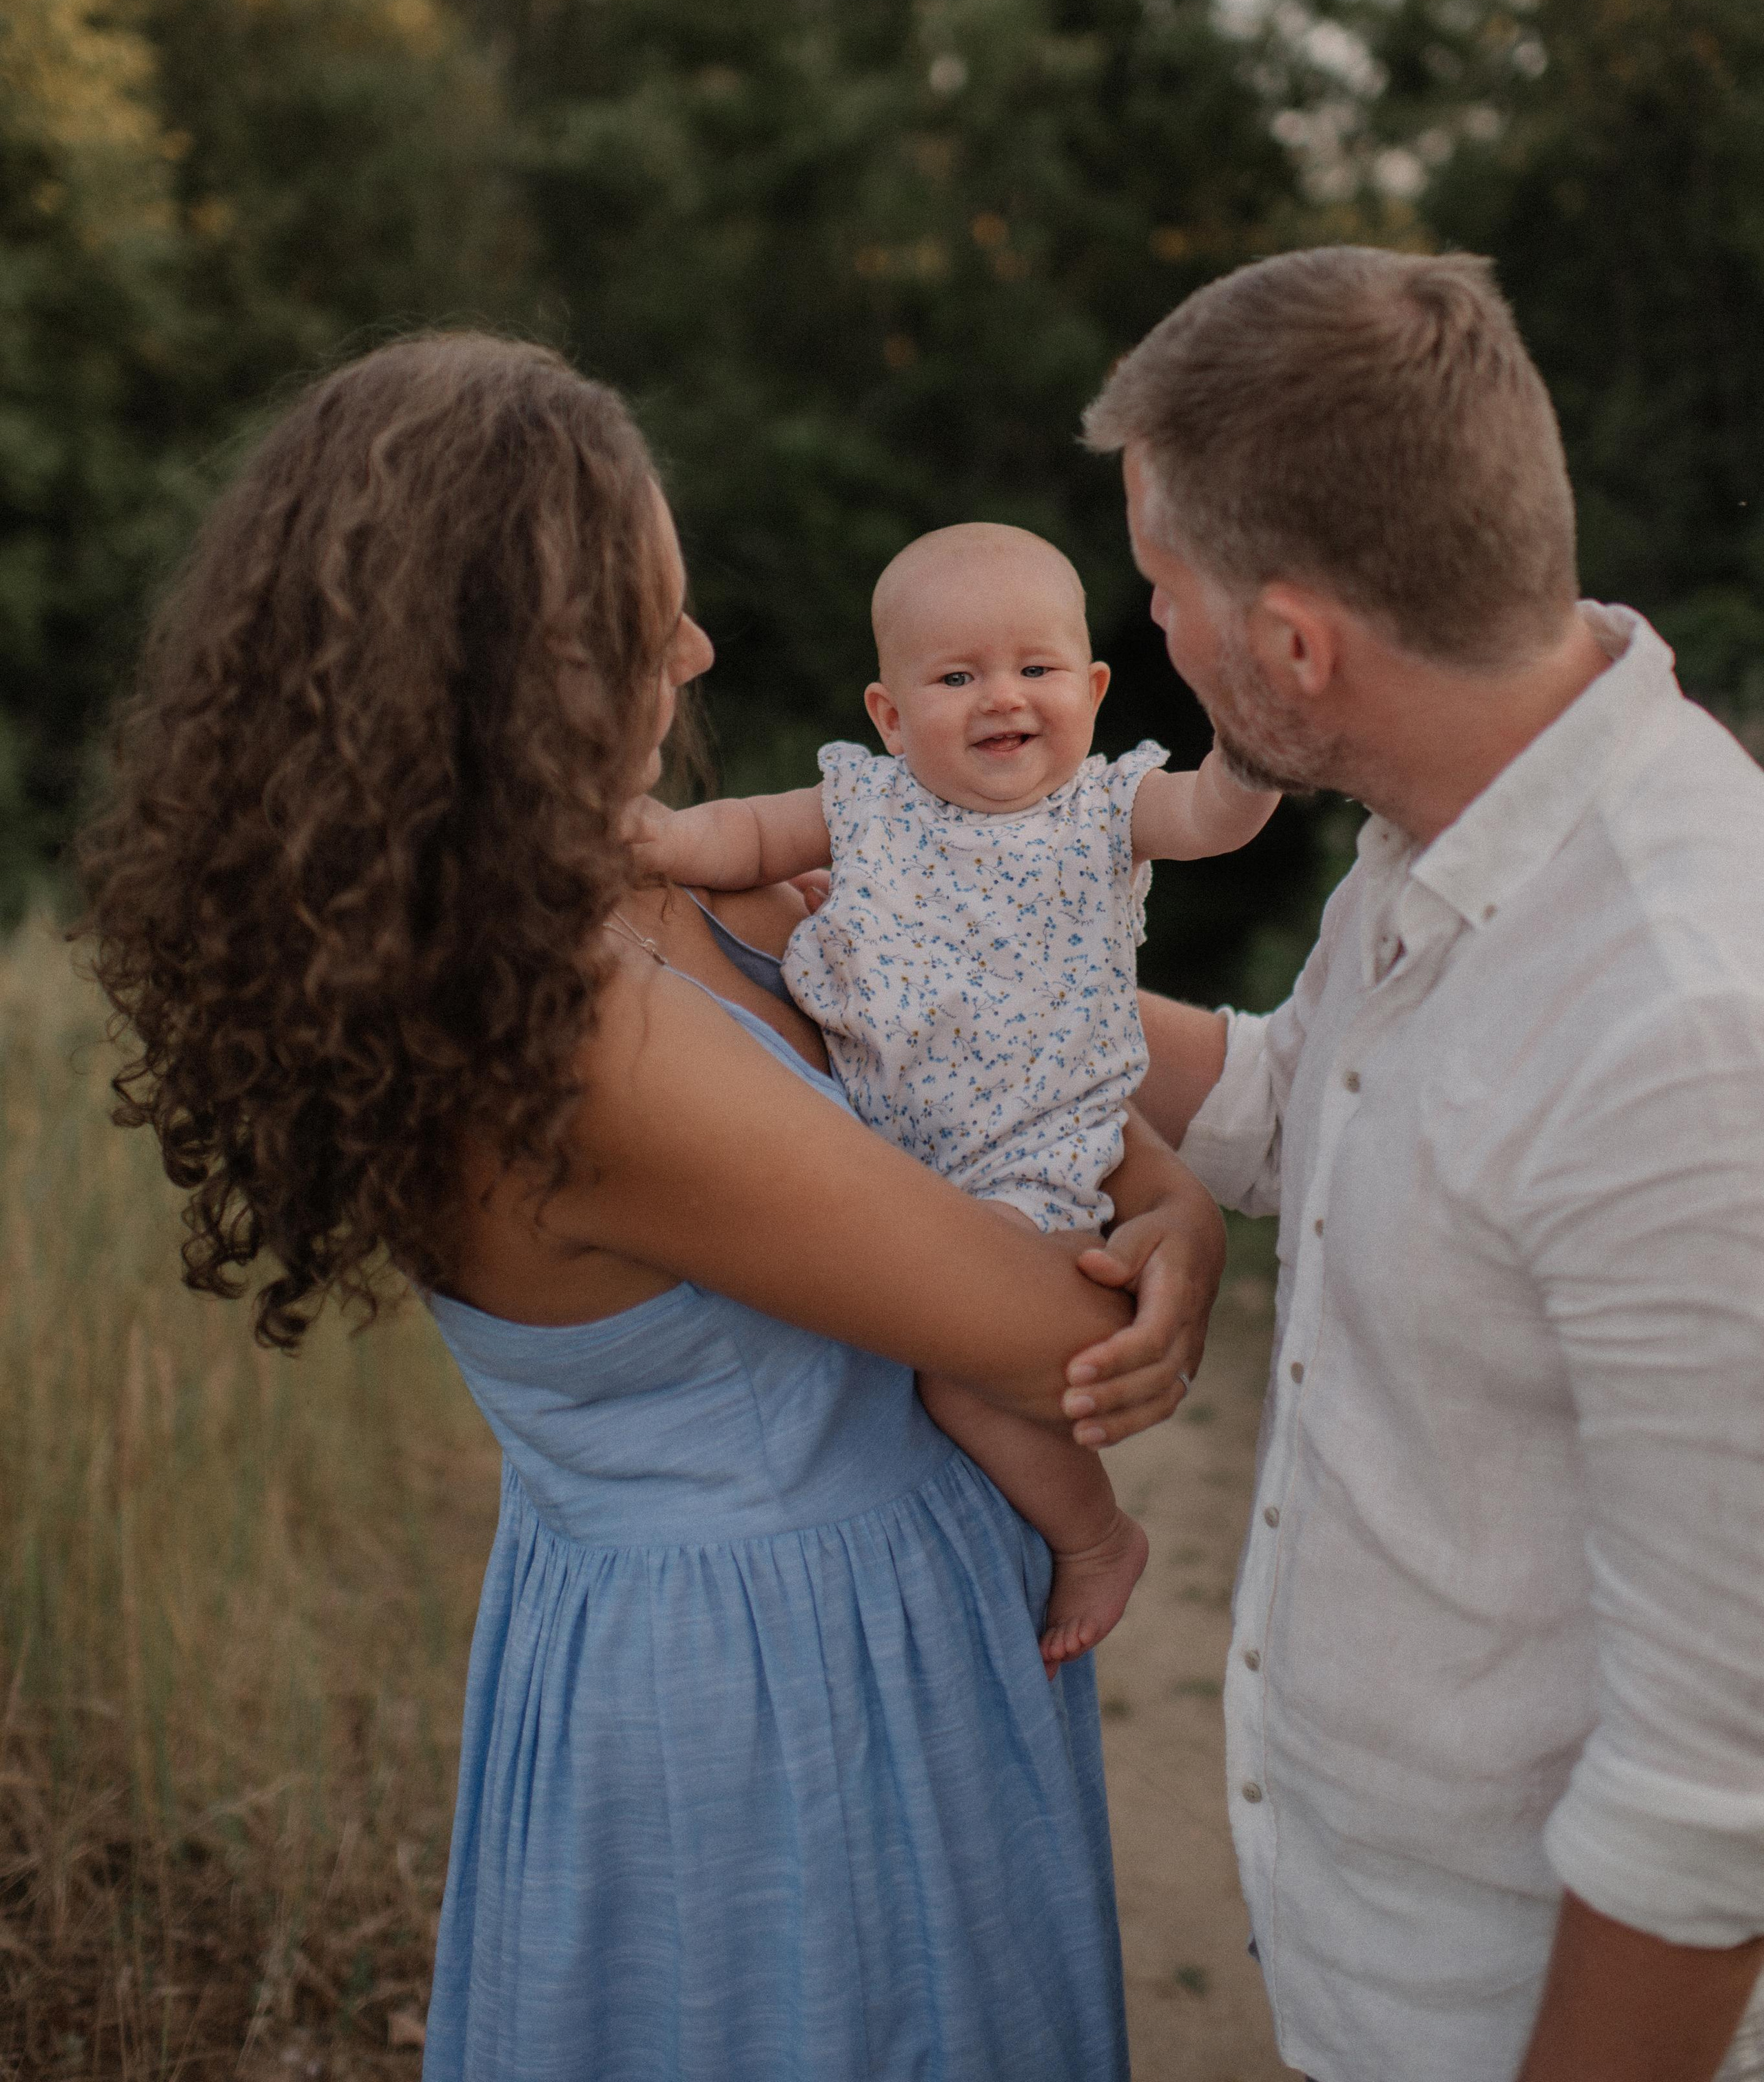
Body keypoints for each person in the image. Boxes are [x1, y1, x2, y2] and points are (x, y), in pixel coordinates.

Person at [79, 333, 1229, 2082]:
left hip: (816, 1624)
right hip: (782, 1693)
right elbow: (1050, 1322)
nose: (695, 652)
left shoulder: (617, 892)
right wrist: (1161, 1255)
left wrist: (1171, 1194)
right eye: (652, 616)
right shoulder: (571, 1039)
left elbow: (982, 1051)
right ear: (514, 665)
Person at [1085, 246, 1764, 2082]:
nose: (1150, 635)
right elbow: (1304, 1103)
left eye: (1162, 592)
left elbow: (1716, 1801)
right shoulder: (1445, 820)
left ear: (1295, 643)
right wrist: (961, 978)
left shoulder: (1689, 1030)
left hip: (1527, 2018)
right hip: (1373, 1972)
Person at [638, 517, 1275, 1669]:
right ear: (889, 714)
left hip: (1032, 1163)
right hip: (892, 1148)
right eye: (958, 676)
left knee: (959, 1379)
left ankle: (1095, 1536)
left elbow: (1209, 817)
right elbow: (735, 837)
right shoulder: (866, 808)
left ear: (1090, 688)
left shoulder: (1100, 812)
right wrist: (656, 836)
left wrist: (1253, 754)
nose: (1003, 699)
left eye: (1036, 669)